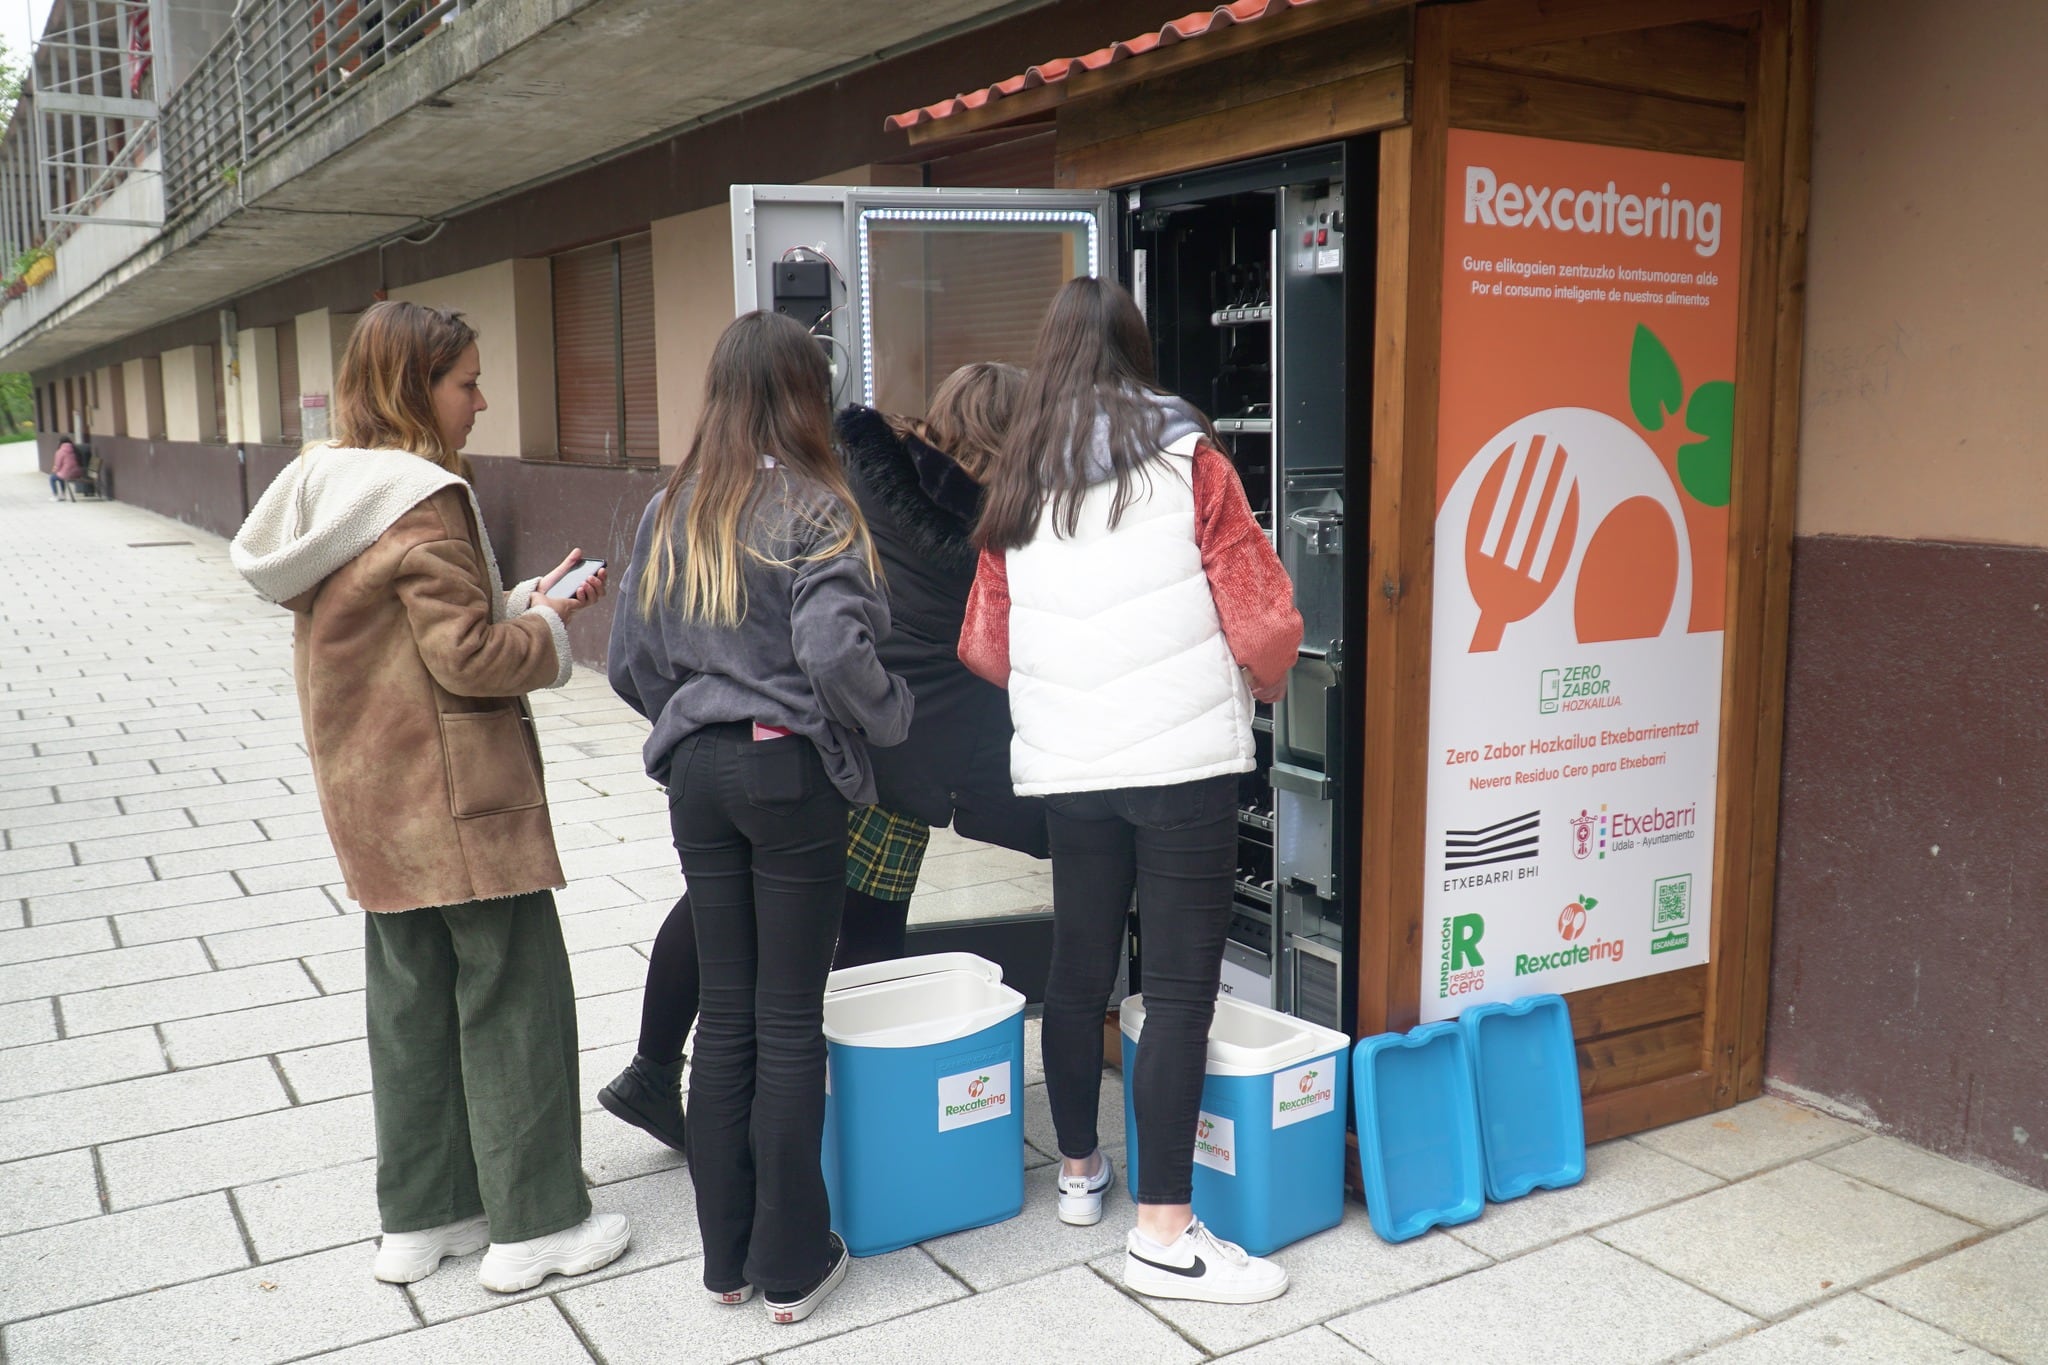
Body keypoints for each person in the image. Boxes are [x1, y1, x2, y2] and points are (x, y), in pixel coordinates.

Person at [229, 301, 630, 1292]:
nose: (482, 402)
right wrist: (543, 631)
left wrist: (519, 599)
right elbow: (468, 659)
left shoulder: (322, 489)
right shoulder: (422, 496)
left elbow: (397, 636)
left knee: (408, 1010)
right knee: (515, 999)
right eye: (467, 382)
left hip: (371, 798)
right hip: (461, 800)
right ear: (417, 386)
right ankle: (535, 1226)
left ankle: (423, 1219)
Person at [596, 362, 1047, 1153]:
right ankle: (849, 1101)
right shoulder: (993, 536)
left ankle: (654, 1065)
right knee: (866, 931)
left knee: (721, 903)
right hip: (891, 754)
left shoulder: (856, 477)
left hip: (805, 734)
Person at [960, 277, 1303, 1305]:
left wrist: (1064, 698)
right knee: (1183, 993)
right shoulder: (1187, 459)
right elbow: (1264, 619)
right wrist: (1262, 683)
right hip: (1182, 767)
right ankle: (1163, 1234)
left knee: (1077, 970)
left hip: (1073, 772)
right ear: (1136, 352)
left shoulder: (1016, 485)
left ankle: (1076, 1173)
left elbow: (982, 645)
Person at [608, 310, 911, 1324]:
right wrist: (887, 717)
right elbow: (833, 654)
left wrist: (694, 719)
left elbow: (628, 663)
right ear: (803, 394)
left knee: (726, 1020)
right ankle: (793, 1268)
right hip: (788, 779)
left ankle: (725, 1264)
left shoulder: (671, 508)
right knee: (788, 1024)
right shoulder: (818, 508)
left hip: (695, 775)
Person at [49, 434, 82, 501]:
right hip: (77, 472)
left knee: (52, 478)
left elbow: (57, 465)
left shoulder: (60, 451)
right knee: (61, 476)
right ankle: (63, 495)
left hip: (67, 473)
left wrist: (54, 471)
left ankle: (55, 495)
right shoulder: (75, 449)